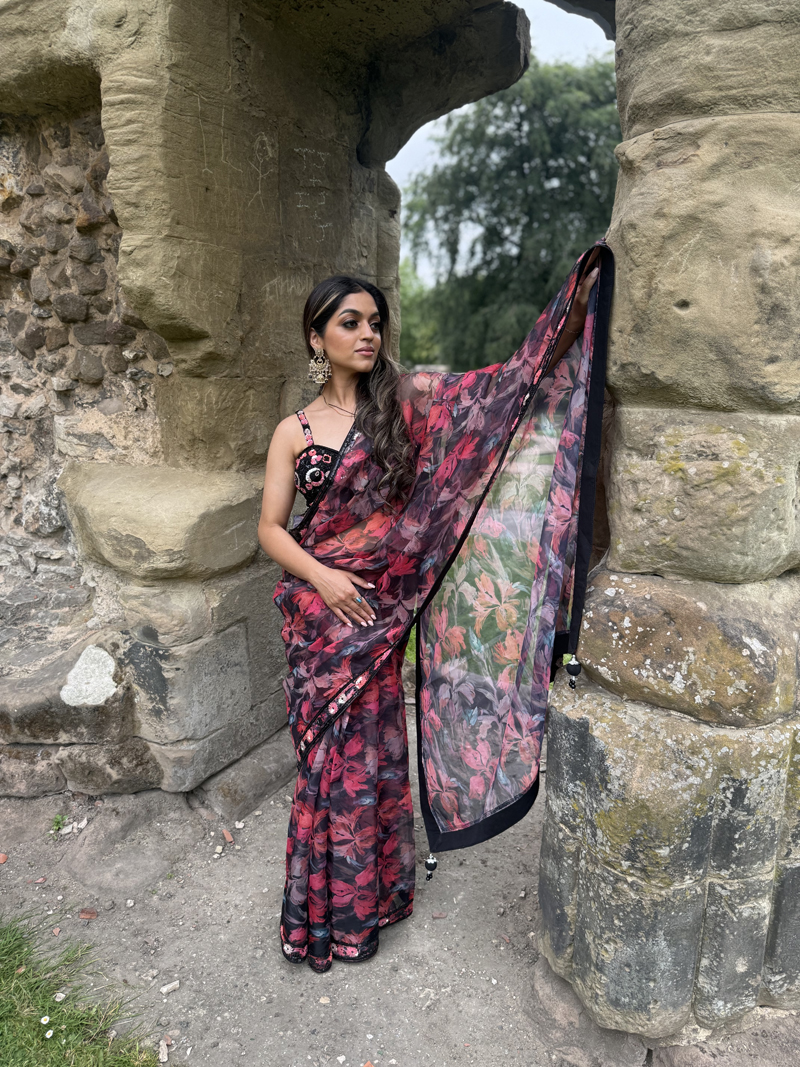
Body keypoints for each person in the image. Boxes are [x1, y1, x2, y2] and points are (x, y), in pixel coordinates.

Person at [258, 245, 612, 973]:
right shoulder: (294, 431)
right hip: (320, 616)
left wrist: (570, 316)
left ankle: (370, 903)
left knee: (372, 755)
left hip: (380, 614)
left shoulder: (407, 402)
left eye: (375, 322)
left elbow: (497, 394)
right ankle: (320, 914)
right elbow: (269, 529)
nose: (368, 334)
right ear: (316, 336)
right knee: (325, 762)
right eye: (350, 322)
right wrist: (324, 578)